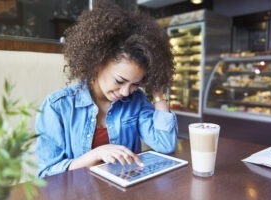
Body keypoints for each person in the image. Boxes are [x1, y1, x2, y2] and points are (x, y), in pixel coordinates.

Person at [35, 1, 178, 178]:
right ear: (97, 63)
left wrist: (158, 91)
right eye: (120, 80)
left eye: (135, 84)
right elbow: (46, 174)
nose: (126, 92)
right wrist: (96, 154)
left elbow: (166, 144)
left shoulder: (136, 100)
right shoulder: (57, 107)